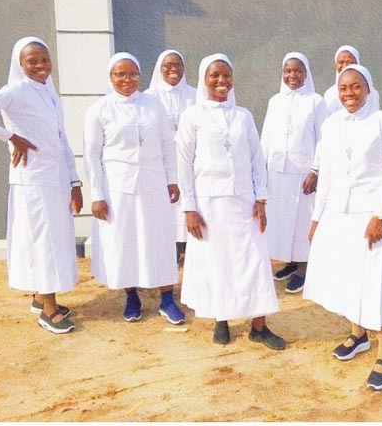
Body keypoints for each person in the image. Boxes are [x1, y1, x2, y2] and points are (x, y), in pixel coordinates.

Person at [0, 36, 82, 334]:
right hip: (33, 181)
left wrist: (75, 182)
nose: (40, 66)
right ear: (19, 64)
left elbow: (61, 139)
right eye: (32, 61)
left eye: (44, 59)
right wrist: (9, 137)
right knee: (44, 241)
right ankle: (49, 309)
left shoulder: (48, 92)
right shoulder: (16, 91)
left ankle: (40, 295)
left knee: (53, 239)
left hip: (56, 178)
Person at [304, 64, 382, 391]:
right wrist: (317, 219)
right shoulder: (331, 125)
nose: (349, 93)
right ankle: (358, 334)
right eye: (344, 87)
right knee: (348, 278)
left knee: (373, 283)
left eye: (356, 87)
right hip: (338, 214)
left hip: (370, 215)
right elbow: (327, 176)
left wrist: (379, 215)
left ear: (369, 88)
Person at [176, 54, 285, 350]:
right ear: (204, 79)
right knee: (218, 262)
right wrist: (189, 208)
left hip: (244, 201)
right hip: (209, 203)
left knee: (254, 261)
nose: (221, 81)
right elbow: (184, 165)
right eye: (215, 76)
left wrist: (261, 198)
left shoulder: (244, 116)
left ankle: (259, 326)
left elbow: (256, 159)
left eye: (226, 75)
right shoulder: (192, 117)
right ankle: (221, 319)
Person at [84, 52, 185, 325]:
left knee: (161, 239)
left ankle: (167, 297)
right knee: (126, 241)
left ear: (140, 75)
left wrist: (171, 179)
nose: (127, 79)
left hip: (153, 182)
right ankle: (132, 296)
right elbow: (92, 155)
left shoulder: (154, 105)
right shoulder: (99, 110)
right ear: (111, 77)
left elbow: (166, 144)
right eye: (120, 74)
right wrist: (97, 195)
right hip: (118, 187)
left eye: (132, 74)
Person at [261, 52, 327, 293]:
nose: (292, 75)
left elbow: (324, 138)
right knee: (282, 219)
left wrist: (316, 170)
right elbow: (266, 136)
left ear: (306, 73)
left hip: (303, 172)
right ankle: (290, 262)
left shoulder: (316, 102)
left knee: (301, 220)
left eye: (297, 70)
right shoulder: (275, 101)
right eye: (287, 70)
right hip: (278, 171)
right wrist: (262, 170)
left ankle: (303, 268)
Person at [145, 49, 197, 262]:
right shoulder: (149, 97)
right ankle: (170, 249)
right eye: (168, 65)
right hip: (161, 157)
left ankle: (189, 246)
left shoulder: (194, 94)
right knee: (167, 201)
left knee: (188, 197)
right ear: (160, 68)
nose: (173, 69)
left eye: (178, 65)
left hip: (189, 157)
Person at [322, 45, 380, 115]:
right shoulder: (330, 93)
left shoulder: (371, 92)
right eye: (341, 62)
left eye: (349, 62)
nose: (345, 65)